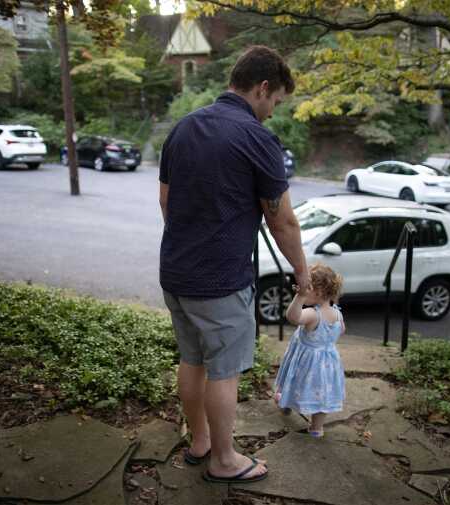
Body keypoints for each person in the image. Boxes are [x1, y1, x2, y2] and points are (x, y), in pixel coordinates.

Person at [158, 45, 309, 485]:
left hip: (175, 273)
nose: (273, 112)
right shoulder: (258, 139)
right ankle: (224, 461)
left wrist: (191, 240)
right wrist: (301, 273)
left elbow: (166, 200)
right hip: (220, 280)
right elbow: (280, 219)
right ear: (263, 87)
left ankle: (200, 442)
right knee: (223, 371)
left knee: (192, 360)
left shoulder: (182, 128)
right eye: (275, 101)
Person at [273, 263, 346, 437]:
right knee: (322, 394)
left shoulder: (313, 314)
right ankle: (316, 428)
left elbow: (292, 317)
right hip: (328, 363)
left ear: (318, 292)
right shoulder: (337, 313)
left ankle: (286, 404)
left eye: (306, 288)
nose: (302, 290)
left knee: (296, 382)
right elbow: (342, 330)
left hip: (307, 361)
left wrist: (299, 297)